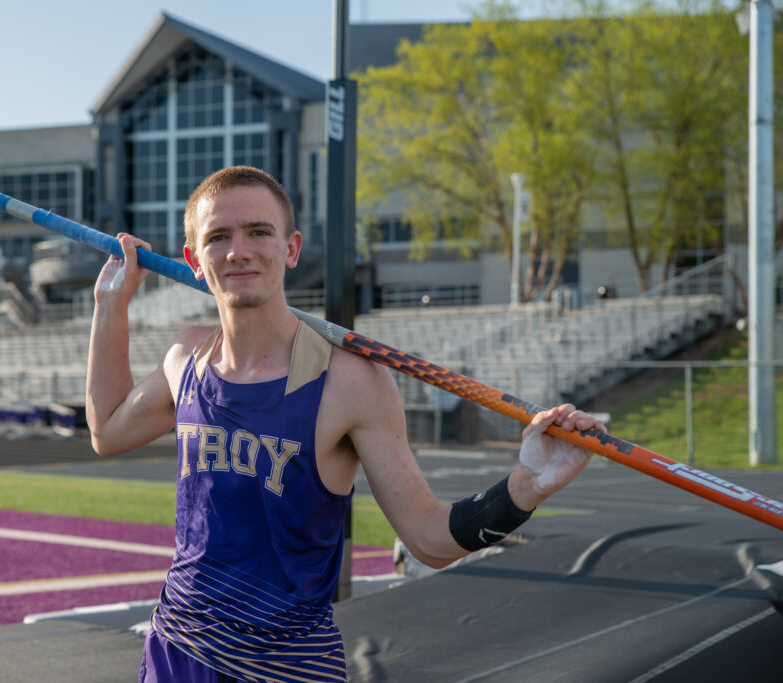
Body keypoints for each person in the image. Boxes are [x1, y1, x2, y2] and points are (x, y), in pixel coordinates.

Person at [86, 166, 604, 683]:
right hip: (177, 654)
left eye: (258, 232)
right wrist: (111, 305)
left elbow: (429, 539)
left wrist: (526, 486)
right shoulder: (186, 357)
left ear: (290, 249)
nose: (238, 251)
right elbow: (107, 431)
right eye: (218, 237)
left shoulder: (351, 382)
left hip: (289, 669)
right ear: (195, 261)